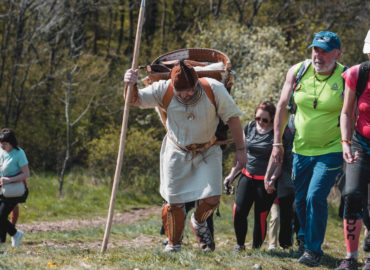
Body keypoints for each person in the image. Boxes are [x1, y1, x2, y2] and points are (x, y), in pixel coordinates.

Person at [124, 60, 246, 252]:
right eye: (180, 91)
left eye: (189, 89)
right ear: (173, 85)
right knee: (173, 203)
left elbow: (232, 118)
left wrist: (241, 150)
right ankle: (174, 244)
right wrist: (130, 83)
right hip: (176, 150)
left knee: (213, 197)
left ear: (196, 82)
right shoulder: (164, 89)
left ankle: (198, 222)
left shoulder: (213, 89)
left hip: (208, 149)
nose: (185, 94)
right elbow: (134, 100)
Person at [272, 31, 346, 267]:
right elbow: (283, 106)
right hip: (301, 149)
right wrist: (277, 143)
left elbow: (352, 113)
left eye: (324, 51)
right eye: (315, 49)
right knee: (300, 200)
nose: (318, 55)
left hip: (331, 148)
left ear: (337, 53)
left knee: (315, 196)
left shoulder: (346, 76)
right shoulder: (298, 71)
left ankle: (314, 250)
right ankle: (304, 240)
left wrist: (350, 144)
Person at [335, 29, 370, 270]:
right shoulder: (358, 74)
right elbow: (346, 112)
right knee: (350, 193)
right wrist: (345, 142)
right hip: (360, 142)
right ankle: (350, 257)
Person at [224, 101, 277, 251]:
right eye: (258, 118)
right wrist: (232, 174)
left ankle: (256, 249)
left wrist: (272, 180)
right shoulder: (249, 127)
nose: (260, 122)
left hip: (265, 182)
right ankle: (239, 245)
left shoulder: (276, 133)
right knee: (239, 211)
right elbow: (241, 154)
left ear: (272, 119)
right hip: (247, 177)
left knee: (260, 216)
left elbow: (279, 160)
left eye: (264, 120)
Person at [265, 114, 296, 250]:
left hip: (302, 172)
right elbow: (277, 152)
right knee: (283, 212)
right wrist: (270, 176)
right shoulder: (284, 121)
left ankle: (302, 244)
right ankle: (284, 244)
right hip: (284, 175)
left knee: (298, 211)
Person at [0, 128, 30, 247]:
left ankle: (14, 235)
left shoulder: (19, 153)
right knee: (1, 217)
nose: (2, 146)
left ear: (11, 143)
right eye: (1, 143)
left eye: (5, 144)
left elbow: (26, 174)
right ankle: (9, 238)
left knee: (0, 216)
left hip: (14, 191)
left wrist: (9, 180)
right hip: (2, 190)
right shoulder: (1, 151)